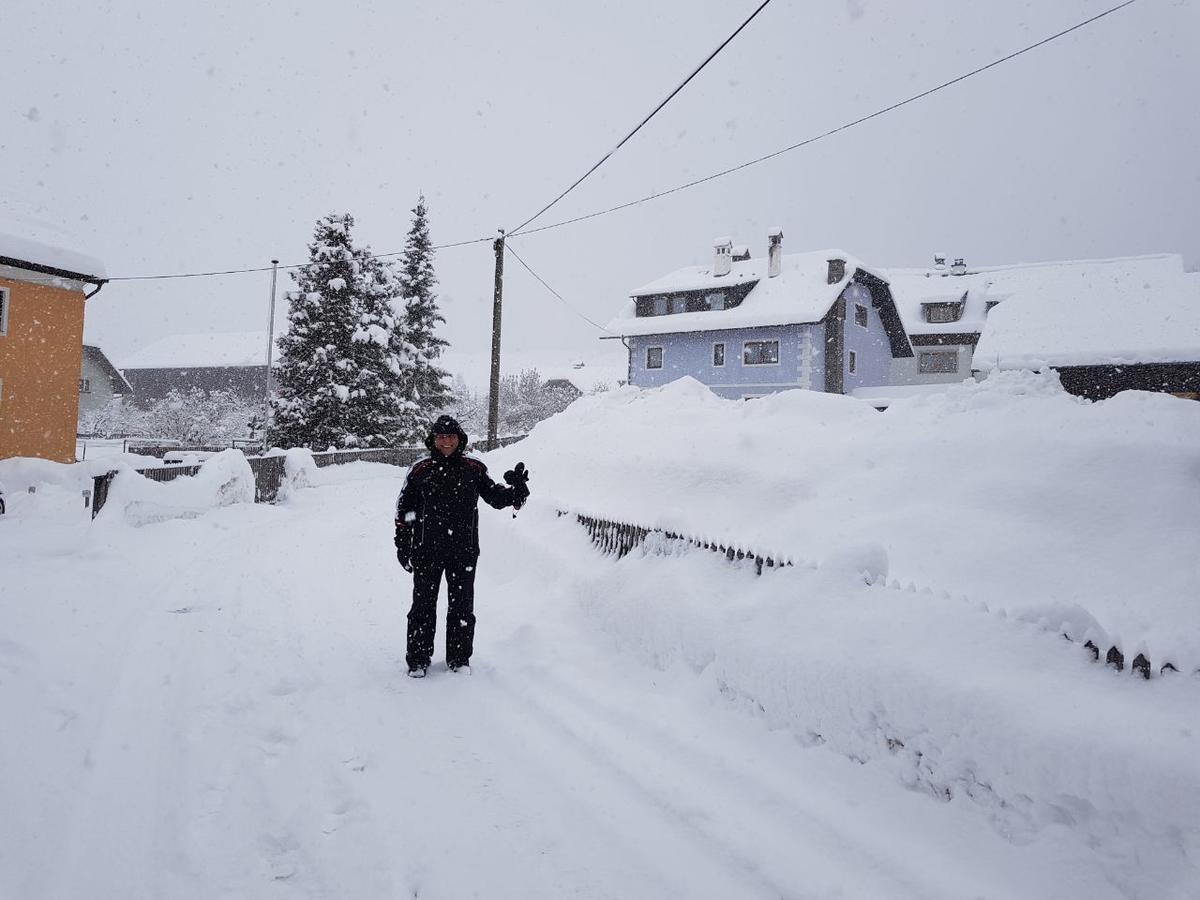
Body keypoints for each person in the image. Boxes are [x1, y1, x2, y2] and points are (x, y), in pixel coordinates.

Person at [394, 415, 530, 677]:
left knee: (462, 608)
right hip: (426, 551)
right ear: (433, 440)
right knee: (423, 607)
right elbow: (404, 511)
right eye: (441, 437)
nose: (446, 441)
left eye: (451, 437)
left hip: (463, 551)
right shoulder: (420, 470)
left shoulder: (473, 469)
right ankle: (418, 659)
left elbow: (495, 497)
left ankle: (458, 659)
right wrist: (403, 546)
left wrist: (516, 492)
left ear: (460, 440)